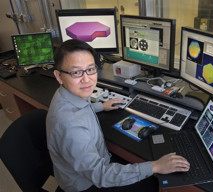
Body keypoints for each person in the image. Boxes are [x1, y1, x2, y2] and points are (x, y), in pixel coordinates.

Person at [46, 39, 190, 192]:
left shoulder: (67, 94)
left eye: (90, 69)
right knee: (153, 184)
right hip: (88, 184)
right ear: (59, 76)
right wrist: (155, 166)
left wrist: (101, 106)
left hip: (81, 169)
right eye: (76, 72)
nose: (86, 79)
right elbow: (100, 175)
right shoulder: (71, 127)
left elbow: (79, 110)